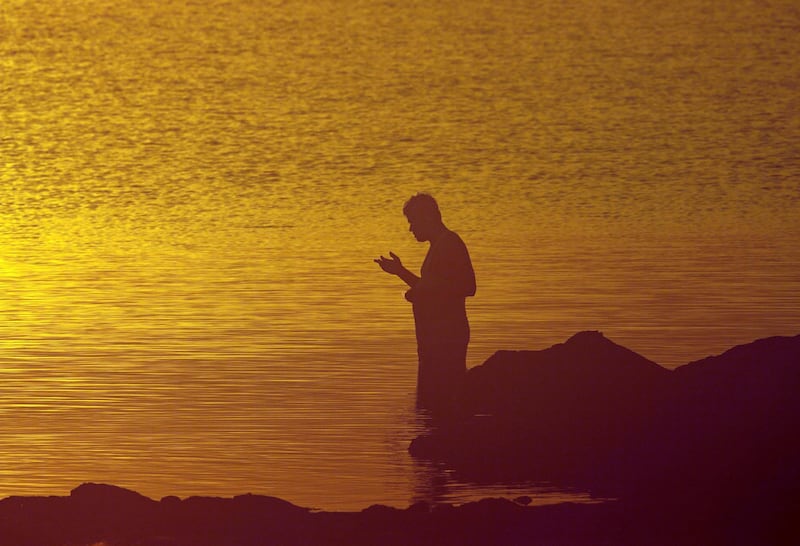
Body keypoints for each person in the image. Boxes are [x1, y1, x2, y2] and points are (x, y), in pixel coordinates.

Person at [375, 193, 476, 417]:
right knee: (430, 404)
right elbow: (429, 286)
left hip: (447, 336)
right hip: (433, 339)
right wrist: (401, 272)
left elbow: (468, 287)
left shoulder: (450, 243)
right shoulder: (438, 246)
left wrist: (423, 294)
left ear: (428, 218)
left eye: (413, 221)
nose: (410, 229)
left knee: (442, 400)